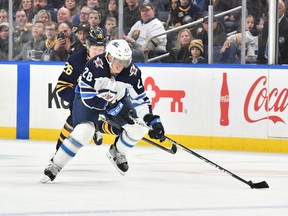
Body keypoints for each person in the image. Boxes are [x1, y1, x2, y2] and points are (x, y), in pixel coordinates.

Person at [41, 39, 165, 183]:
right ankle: (55, 165)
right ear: (109, 57)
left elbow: (141, 100)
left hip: (116, 99)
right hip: (86, 99)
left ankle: (117, 152)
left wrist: (152, 120)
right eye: (118, 60)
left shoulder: (132, 72)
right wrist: (112, 109)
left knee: (138, 130)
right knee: (84, 131)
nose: (121, 65)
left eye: (125, 60)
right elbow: (88, 97)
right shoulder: (94, 66)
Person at [55, 29, 107, 152]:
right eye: (95, 49)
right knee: (73, 120)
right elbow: (62, 87)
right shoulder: (75, 60)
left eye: (101, 49)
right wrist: (80, 101)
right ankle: (58, 152)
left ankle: (98, 128)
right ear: (87, 46)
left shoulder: (110, 60)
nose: (98, 53)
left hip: (102, 97)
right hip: (78, 95)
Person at [258, 0, 288, 64]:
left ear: (284, 9)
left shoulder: (287, 24)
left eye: (279, 8)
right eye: (275, 8)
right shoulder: (267, 23)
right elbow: (264, 41)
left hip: (282, 61)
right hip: (264, 59)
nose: (276, 10)